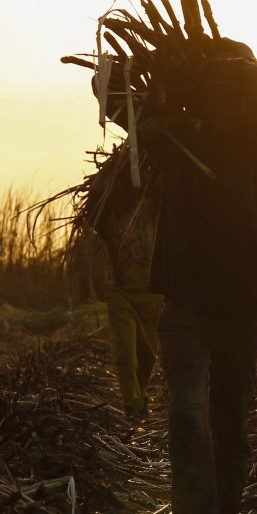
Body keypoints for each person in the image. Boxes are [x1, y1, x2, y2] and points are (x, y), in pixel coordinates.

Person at [136, 38, 257, 514]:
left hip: (209, 300)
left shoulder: (234, 138)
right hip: (216, 300)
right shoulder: (185, 135)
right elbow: (131, 117)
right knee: (215, 418)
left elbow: (128, 115)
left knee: (203, 415)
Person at [90, 156, 162, 419]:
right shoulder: (104, 214)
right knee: (124, 352)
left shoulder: (149, 201)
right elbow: (93, 211)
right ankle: (132, 406)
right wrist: (110, 173)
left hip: (152, 291)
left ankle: (140, 397)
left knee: (147, 355)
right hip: (119, 290)